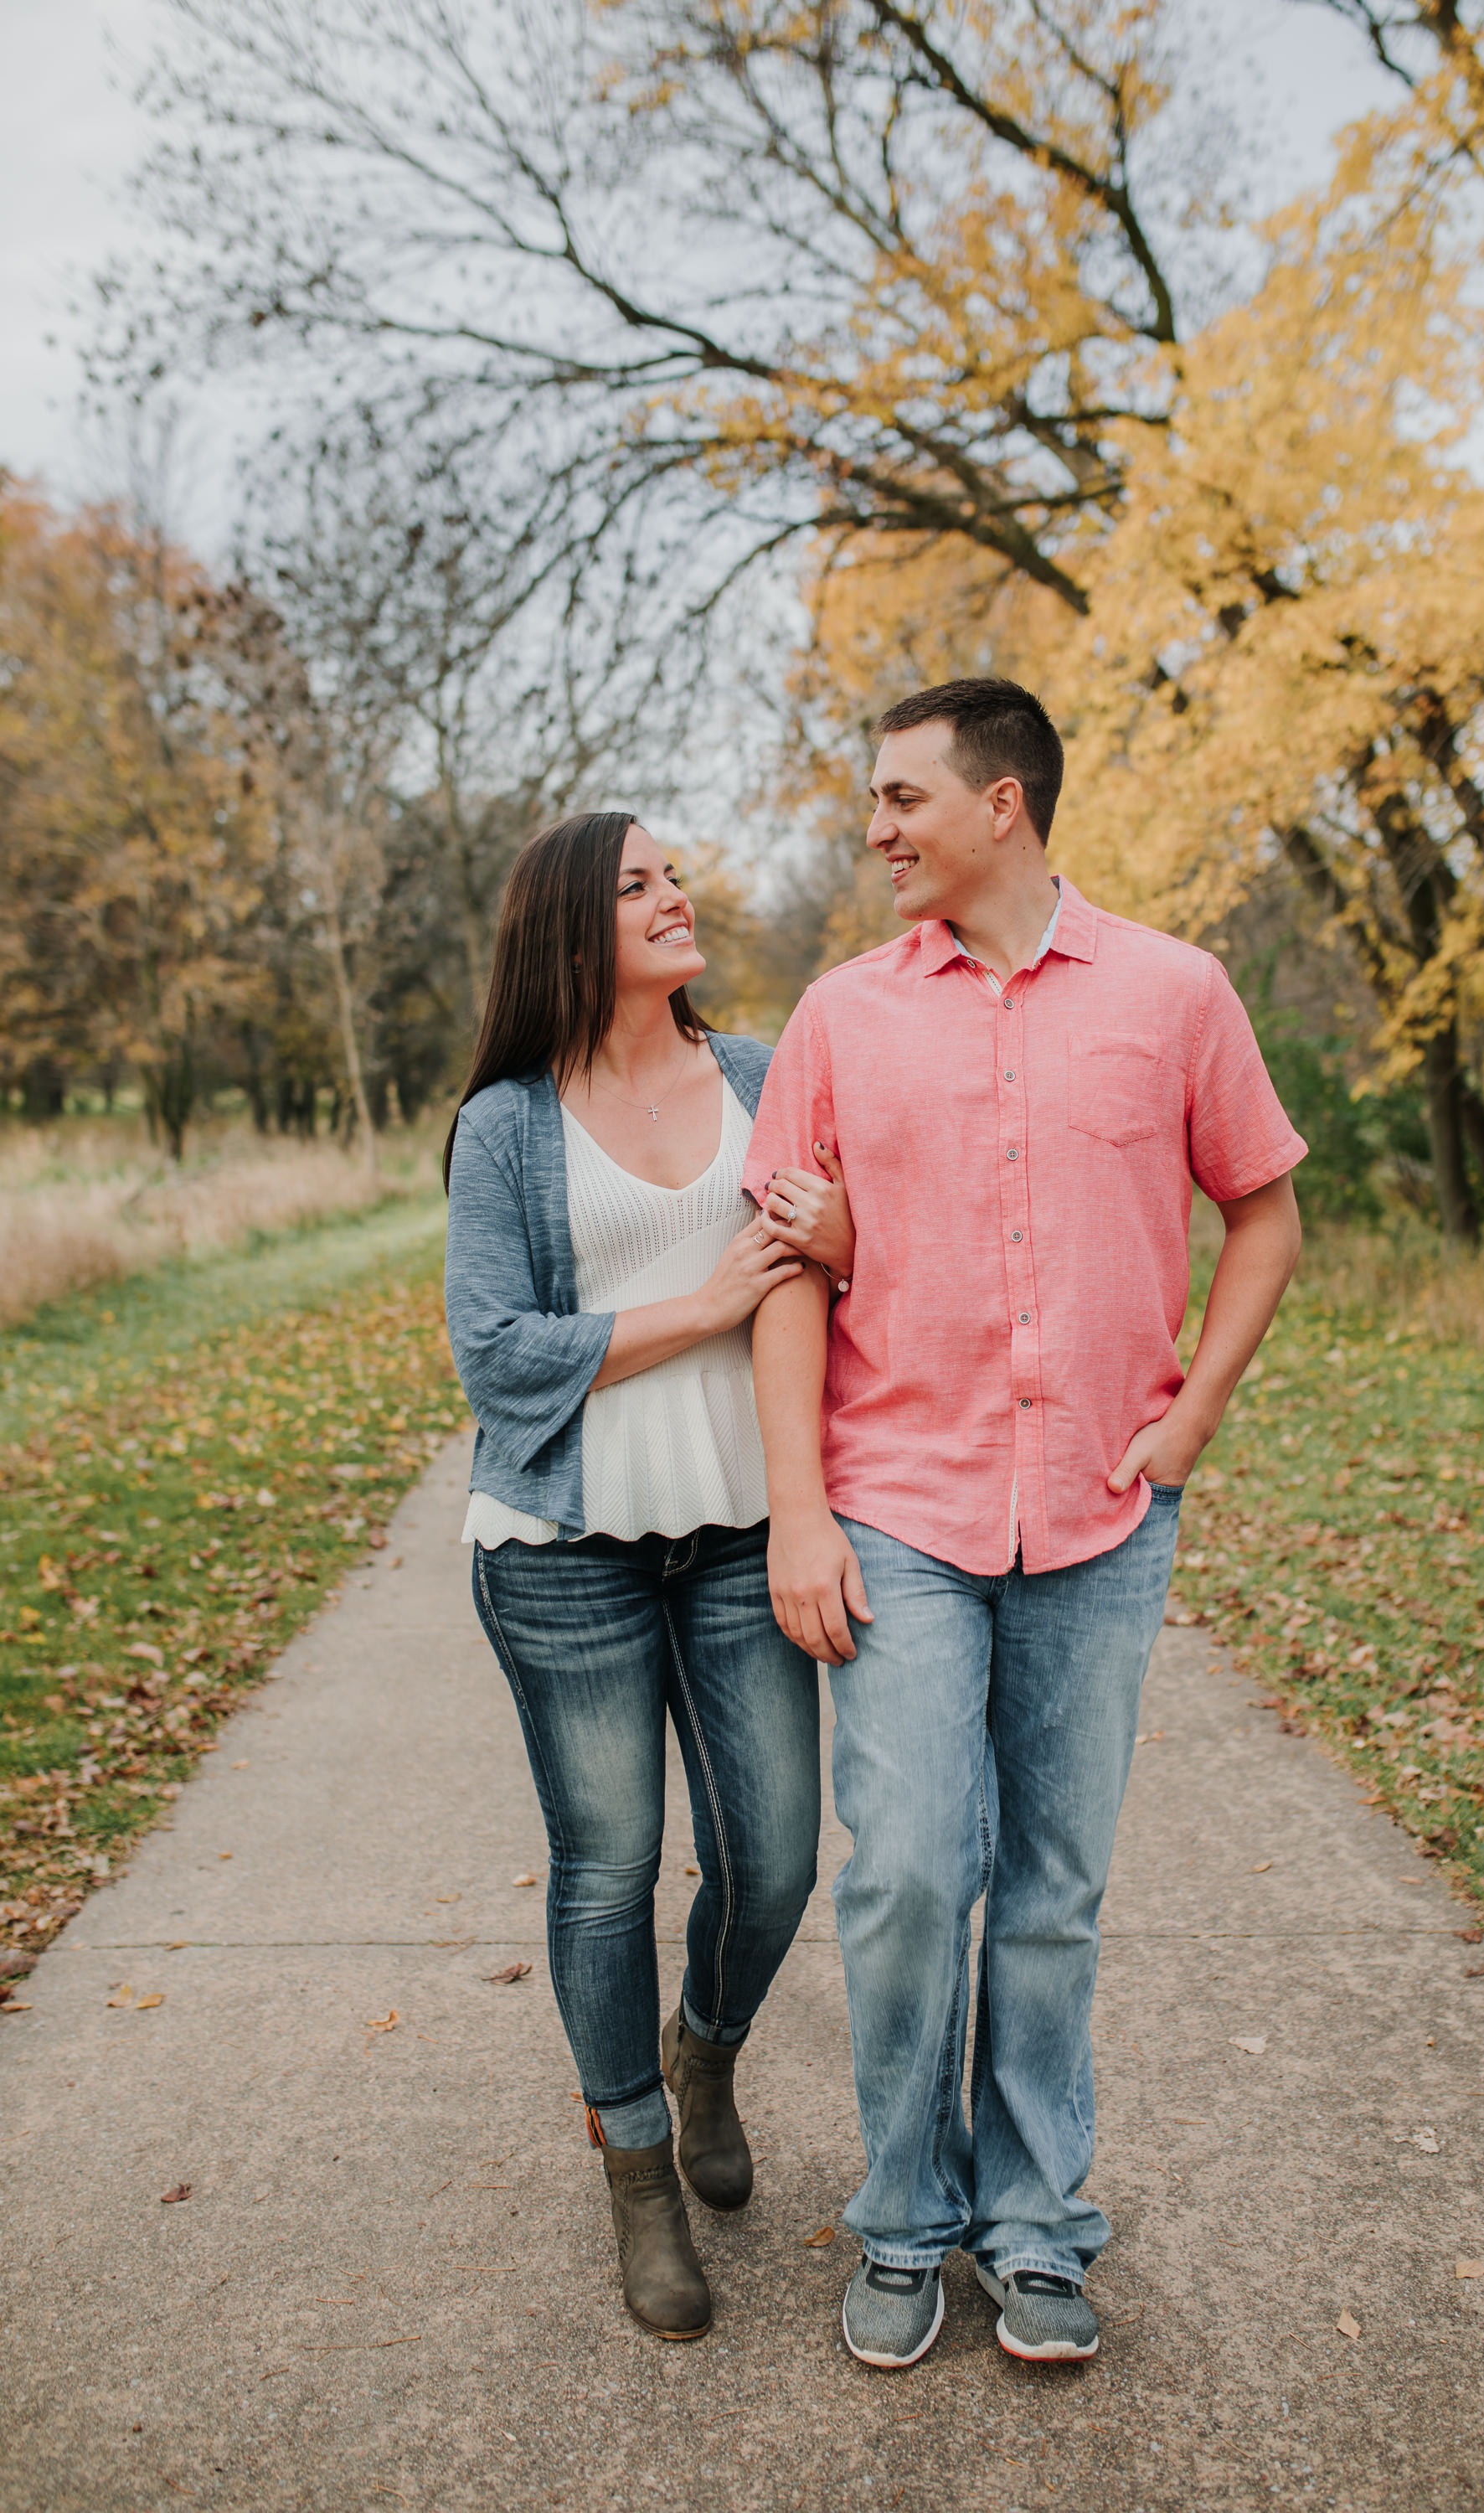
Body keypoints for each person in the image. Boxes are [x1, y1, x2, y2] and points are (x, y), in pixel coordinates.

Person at [745, 679, 1306, 2371]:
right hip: (901, 1506)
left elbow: (1264, 1211)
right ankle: (905, 2221)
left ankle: (1033, 2223)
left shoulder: (1173, 994)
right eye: (872, 798)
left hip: (1099, 1515)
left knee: (1052, 1893)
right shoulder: (839, 1019)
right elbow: (785, 1270)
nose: (878, 827)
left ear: (1006, 803)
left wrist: (1190, 1414)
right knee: (915, 1875)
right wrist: (795, 1514)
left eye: (905, 796)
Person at [443, 811, 853, 2344]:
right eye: (638, 886)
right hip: (564, 1554)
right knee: (609, 1868)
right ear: (570, 926)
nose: (675, 897)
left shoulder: (762, 1073)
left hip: (748, 1529)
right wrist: (699, 1305)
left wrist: (842, 1249)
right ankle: (634, 2167)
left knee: (776, 1861)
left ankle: (707, 2049)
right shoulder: (506, 1123)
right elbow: (494, 1357)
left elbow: (840, 1260)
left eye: (675, 875)